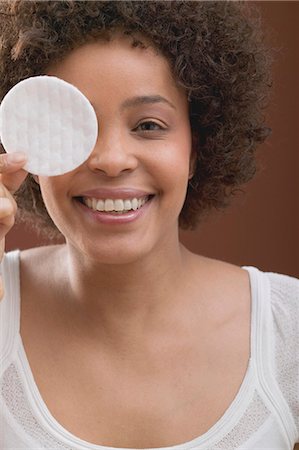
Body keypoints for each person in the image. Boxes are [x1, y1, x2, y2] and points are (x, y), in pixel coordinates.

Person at [0, 1, 298, 449]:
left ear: (197, 148)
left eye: (149, 125)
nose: (111, 160)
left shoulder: (287, 329)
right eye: (73, 127)